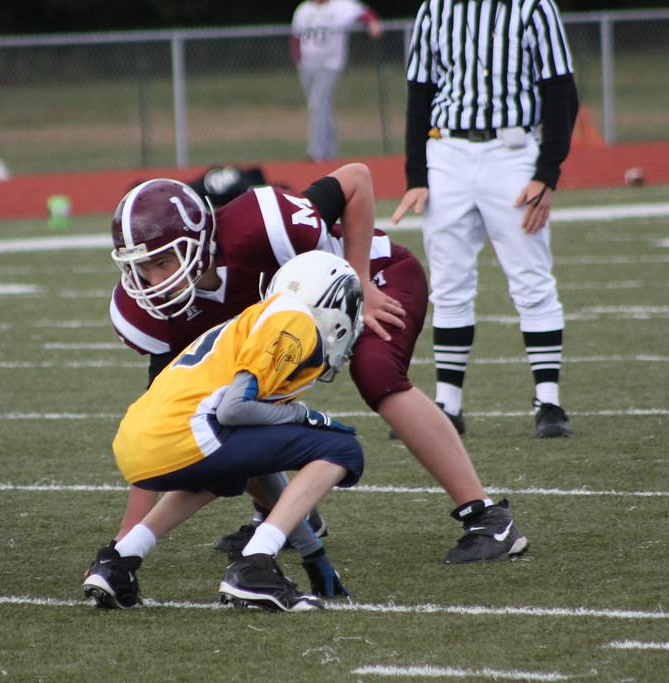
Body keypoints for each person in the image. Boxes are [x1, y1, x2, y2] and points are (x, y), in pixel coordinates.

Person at [107, 162, 528, 569]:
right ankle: (293, 519)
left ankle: (487, 517)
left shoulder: (259, 223)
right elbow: (163, 411)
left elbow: (357, 180)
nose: (152, 282)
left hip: (370, 282)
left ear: (197, 243)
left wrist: (361, 279)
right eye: (140, 268)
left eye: (162, 263)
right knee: (218, 404)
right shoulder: (151, 309)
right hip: (300, 326)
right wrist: (125, 540)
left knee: (376, 373)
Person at [84, 251, 365, 612]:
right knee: (343, 449)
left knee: (232, 474)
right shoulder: (297, 320)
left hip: (142, 438)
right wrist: (305, 415)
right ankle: (255, 565)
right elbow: (235, 408)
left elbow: (260, 463)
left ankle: (119, 560)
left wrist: (313, 554)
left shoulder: (260, 318)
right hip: (189, 432)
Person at [392, 0, 579, 439]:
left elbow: (561, 92)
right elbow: (420, 93)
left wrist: (547, 173)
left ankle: (548, 401)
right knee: (449, 282)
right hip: (448, 151)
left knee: (531, 277)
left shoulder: (534, 8)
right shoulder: (434, 9)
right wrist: (416, 175)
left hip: (512, 153)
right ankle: (447, 405)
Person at [291, 0, 382, 162]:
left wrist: (372, 22)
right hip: (307, 65)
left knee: (316, 104)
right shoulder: (303, 9)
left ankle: (316, 153)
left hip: (330, 65)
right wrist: (298, 59)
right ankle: (330, 153)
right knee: (322, 107)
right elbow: (295, 37)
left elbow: (363, 13)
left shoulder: (340, 6)